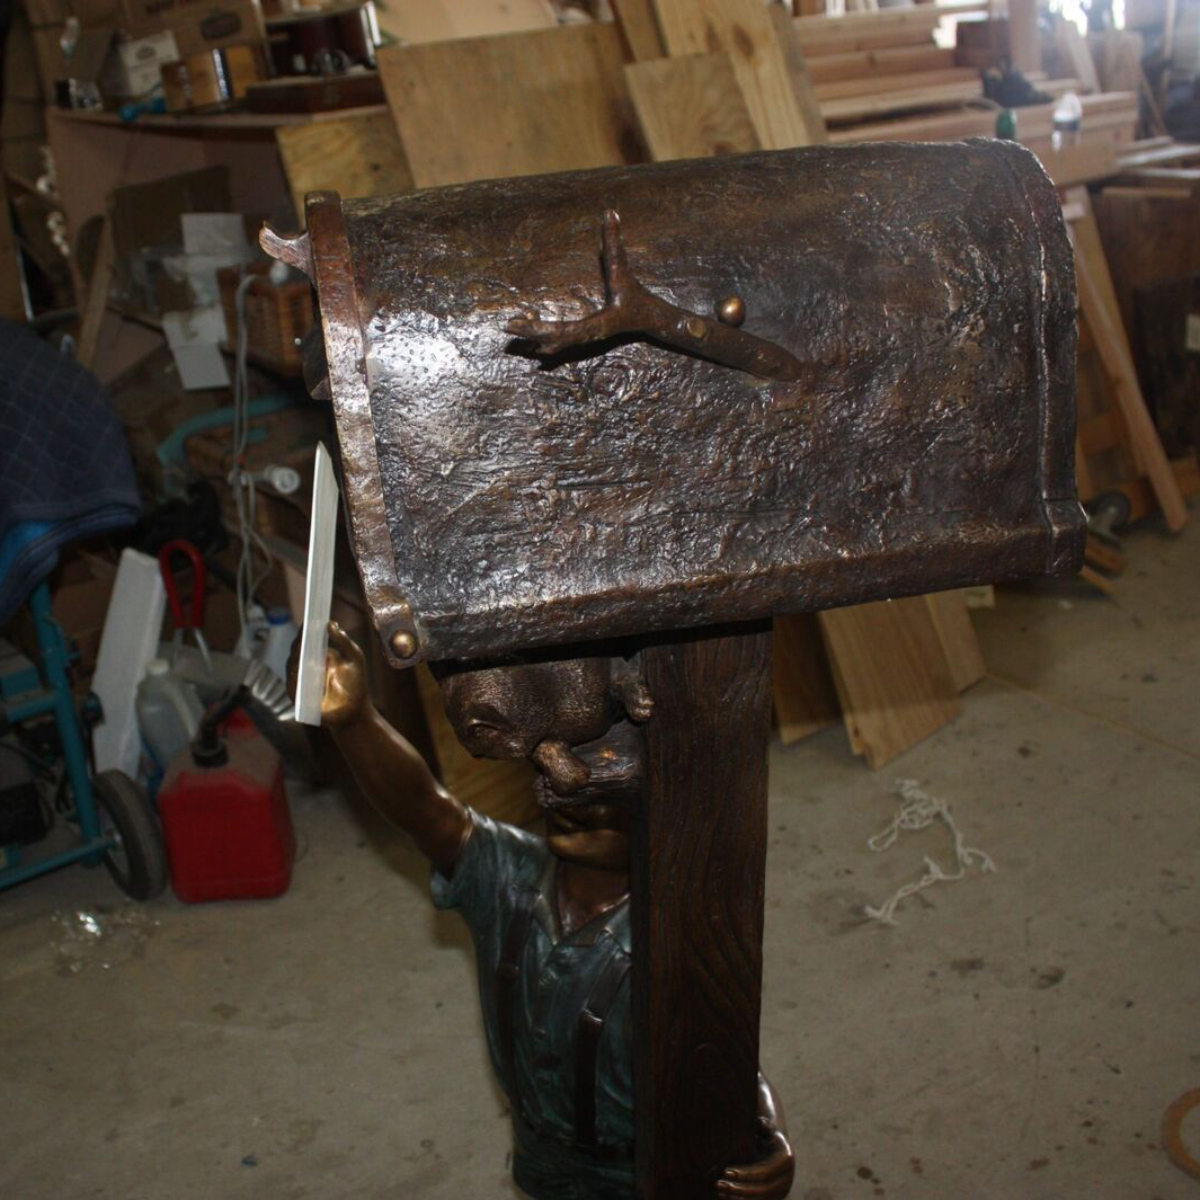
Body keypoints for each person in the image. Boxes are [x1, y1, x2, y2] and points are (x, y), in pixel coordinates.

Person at [307, 622, 795, 1199]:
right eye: (562, 786)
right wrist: (355, 720)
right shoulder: (509, 879)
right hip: (543, 1154)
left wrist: (769, 1133)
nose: (571, 802)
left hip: (640, 1171)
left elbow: (725, 1051)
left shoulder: (674, 923)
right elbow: (426, 810)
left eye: (602, 802)